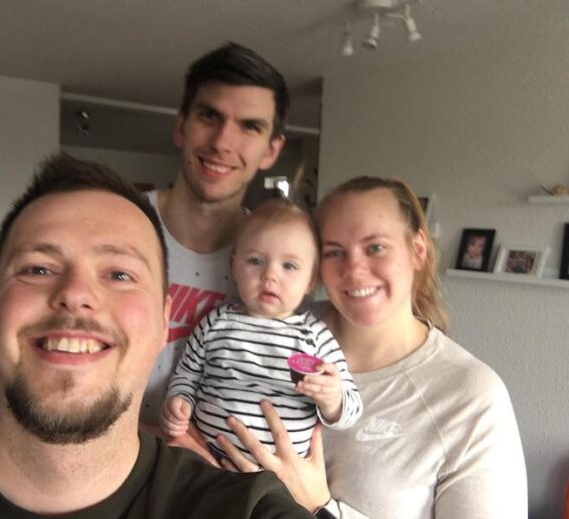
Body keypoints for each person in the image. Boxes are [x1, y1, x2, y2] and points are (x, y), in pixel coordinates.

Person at [0, 155, 314, 518]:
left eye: (119, 274)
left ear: (163, 320)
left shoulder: (244, 509)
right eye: (38, 269)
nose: (76, 294)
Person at [216, 176, 528, 518]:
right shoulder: (268, 327)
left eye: (375, 247)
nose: (354, 269)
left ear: (417, 250)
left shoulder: (470, 396)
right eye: (335, 252)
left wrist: (318, 507)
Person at [141, 42, 288, 426]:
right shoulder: (118, 224)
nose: (222, 142)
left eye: (250, 126)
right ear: (181, 126)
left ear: (271, 151)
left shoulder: (280, 264)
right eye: (209, 116)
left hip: (218, 461)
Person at [161, 198, 362, 463]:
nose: (270, 275)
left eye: (289, 266)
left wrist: (333, 399)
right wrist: (179, 401)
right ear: (234, 266)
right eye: (255, 261)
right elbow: (187, 374)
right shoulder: (215, 323)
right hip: (207, 460)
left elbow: (351, 409)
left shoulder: (316, 337)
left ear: (311, 280)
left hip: (280, 474)